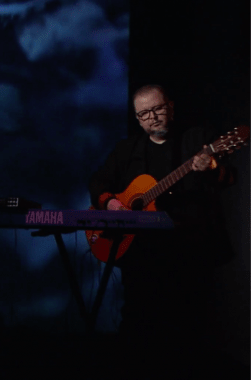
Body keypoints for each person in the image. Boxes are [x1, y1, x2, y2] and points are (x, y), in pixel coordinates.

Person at [88, 84, 236, 378]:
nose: (152, 117)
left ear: (171, 106)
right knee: (137, 320)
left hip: (189, 250)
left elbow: (228, 177)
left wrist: (210, 166)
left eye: (157, 109)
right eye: (143, 114)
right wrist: (113, 203)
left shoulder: (198, 139)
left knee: (189, 323)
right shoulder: (126, 150)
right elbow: (98, 184)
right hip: (140, 254)